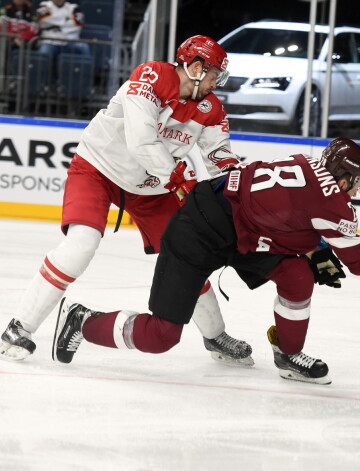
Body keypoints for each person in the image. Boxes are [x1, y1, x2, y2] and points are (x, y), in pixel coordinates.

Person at [51, 138, 360, 385]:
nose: (357, 188)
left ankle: (288, 355)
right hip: (199, 231)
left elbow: (287, 213)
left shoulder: (306, 164)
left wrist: (316, 251)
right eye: (357, 181)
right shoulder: (333, 200)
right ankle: (82, 321)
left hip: (239, 231)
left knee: (298, 275)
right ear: (343, 175)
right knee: (161, 336)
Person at [0, 35, 254, 366]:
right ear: (194, 67)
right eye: (212, 74)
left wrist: (239, 185)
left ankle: (215, 335)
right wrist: (177, 177)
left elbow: (219, 156)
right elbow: (141, 139)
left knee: (189, 257)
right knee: (81, 245)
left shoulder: (211, 109)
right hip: (98, 169)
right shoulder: (151, 76)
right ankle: (19, 327)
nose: (215, 81)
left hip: (151, 188)